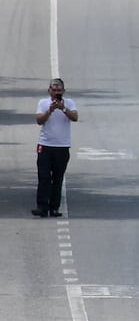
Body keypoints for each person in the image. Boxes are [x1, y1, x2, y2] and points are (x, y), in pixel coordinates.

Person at [33, 78, 78, 218]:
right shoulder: (43, 103)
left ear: (63, 91)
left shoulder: (69, 103)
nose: (56, 93)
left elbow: (75, 117)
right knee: (44, 177)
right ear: (49, 91)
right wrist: (50, 110)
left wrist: (63, 108)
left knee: (57, 178)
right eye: (54, 90)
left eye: (59, 90)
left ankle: (54, 208)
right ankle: (42, 207)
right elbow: (39, 120)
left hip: (62, 146)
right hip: (45, 145)